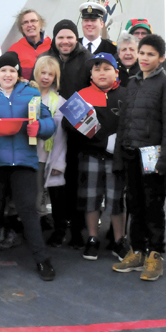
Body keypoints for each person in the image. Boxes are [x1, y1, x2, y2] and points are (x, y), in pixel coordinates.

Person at [0, 51, 57, 281]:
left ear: (18, 74)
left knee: (28, 209)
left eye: (12, 70)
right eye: (3, 70)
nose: (8, 74)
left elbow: (48, 122)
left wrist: (39, 129)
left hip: (24, 161)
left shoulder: (31, 93)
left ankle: (42, 258)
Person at [113, 34, 166, 281]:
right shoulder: (132, 83)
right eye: (142, 53)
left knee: (153, 206)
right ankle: (137, 250)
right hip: (131, 153)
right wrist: (120, 155)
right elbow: (125, 122)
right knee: (134, 204)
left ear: (161, 58)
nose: (144, 58)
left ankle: (155, 254)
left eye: (150, 54)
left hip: (152, 158)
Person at [69, 54, 131, 262]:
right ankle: (93, 238)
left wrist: (119, 141)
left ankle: (119, 239)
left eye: (106, 68)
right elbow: (69, 125)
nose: (101, 73)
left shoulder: (126, 94)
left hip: (117, 158)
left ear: (116, 72)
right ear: (91, 74)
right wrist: (101, 140)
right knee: (91, 198)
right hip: (91, 155)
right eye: (97, 69)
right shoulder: (82, 96)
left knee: (116, 200)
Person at [43, 19, 90, 249]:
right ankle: (59, 227)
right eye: (61, 37)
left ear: (76, 38)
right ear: (54, 39)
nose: (65, 41)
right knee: (56, 181)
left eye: (69, 37)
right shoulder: (47, 58)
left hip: (78, 129)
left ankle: (77, 230)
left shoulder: (87, 59)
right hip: (54, 128)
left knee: (77, 181)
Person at [29, 56, 67, 220]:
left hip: (44, 156)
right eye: (43, 72)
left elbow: (61, 137)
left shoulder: (59, 102)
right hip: (24, 153)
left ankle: (36, 228)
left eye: (50, 74)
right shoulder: (25, 94)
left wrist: (59, 163)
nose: (45, 77)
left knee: (38, 195)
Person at [7, 9, 51, 81]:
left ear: (41, 25)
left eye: (33, 21)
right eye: (25, 22)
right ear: (22, 28)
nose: (30, 25)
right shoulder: (14, 50)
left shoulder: (52, 47)